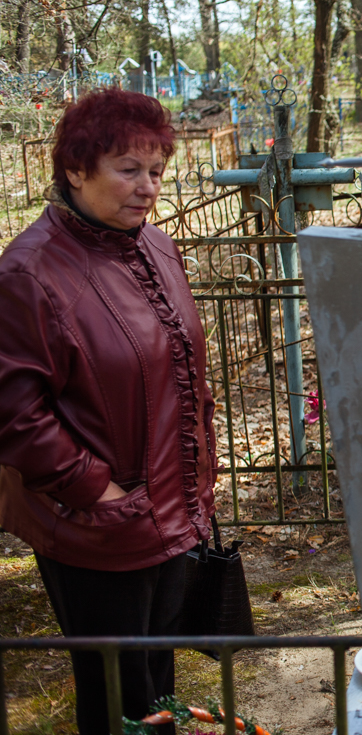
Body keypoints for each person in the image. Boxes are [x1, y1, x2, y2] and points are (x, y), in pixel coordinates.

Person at [0, 88, 217, 734]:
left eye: (156, 171)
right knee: (118, 698)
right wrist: (101, 492)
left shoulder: (156, 246)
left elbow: (180, 370)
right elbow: (14, 415)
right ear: (77, 169)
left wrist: (196, 481)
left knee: (157, 688)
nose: (147, 188)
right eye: (128, 169)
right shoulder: (29, 273)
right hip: (97, 529)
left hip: (173, 510)